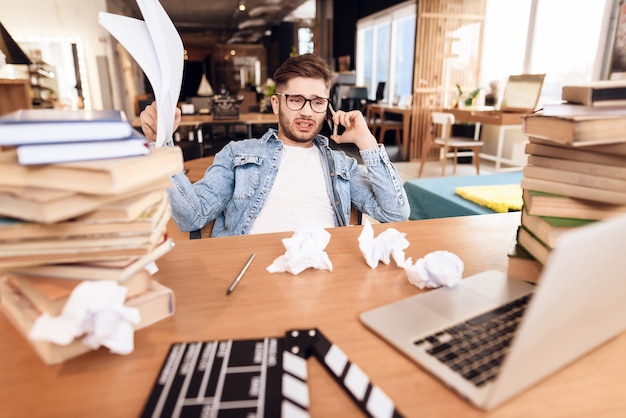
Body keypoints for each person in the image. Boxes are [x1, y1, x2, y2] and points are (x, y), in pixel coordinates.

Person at [140, 53, 410, 237]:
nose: (307, 111)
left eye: (317, 102)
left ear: (327, 107)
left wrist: (367, 142)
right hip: (251, 273)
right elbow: (192, 217)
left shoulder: (342, 165)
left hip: (324, 272)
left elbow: (395, 214)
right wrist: (162, 144)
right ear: (276, 103)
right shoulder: (238, 154)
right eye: (296, 99)